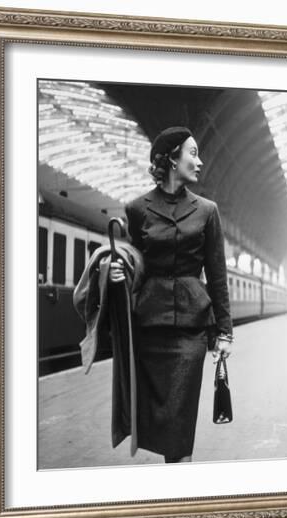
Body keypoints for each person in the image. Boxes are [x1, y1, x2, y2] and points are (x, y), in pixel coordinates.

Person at [109, 126, 233, 463]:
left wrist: (224, 332)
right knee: (160, 429)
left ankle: (180, 487)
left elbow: (218, 276)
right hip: (149, 330)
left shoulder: (208, 211)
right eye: (192, 153)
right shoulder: (137, 209)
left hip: (192, 331)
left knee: (180, 432)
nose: (200, 161)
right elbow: (135, 263)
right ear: (172, 159)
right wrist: (119, 273)